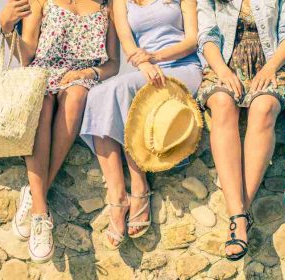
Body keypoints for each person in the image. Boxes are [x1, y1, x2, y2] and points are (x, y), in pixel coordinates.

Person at [0, 0, 120, 263]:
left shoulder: (108, 6)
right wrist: (7, 27)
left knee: (75, 96)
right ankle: (40, 212)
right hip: (42, 74)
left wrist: (89, 71)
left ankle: (34, 194)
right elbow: (27, 54)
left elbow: (113, 64)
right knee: (40, 103)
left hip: (80, 77)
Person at [80, 0, 202, 249]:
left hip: (183, 68)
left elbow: (193, 39)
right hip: (147, 69)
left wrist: (155, 57)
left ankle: (139, 185)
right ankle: (117, 197)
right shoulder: (121, 2)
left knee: (125, 90)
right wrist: (145, 63)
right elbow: (129, 46)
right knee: (98, 95)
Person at [197, 0, 285, 261]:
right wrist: (222, 70)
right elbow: (206, 35)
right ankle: (240, 217)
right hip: (224, 65)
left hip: (270, 66)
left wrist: (271, 67)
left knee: (264, 107)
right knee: (221, 103)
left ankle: (237, 217)